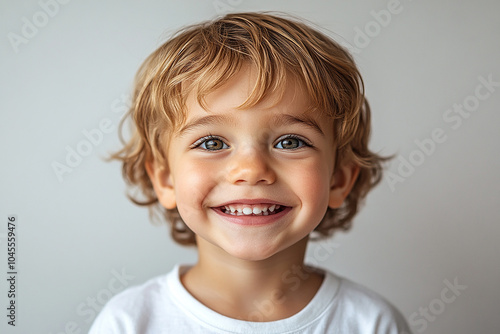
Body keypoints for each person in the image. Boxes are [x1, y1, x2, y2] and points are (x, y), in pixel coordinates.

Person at [89, 12, 412, 333]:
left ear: (339, 179)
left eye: (290, 141)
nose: (251, 170)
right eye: (212, 142)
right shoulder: (129, 322)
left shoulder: (372, 323)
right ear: (165, 179)